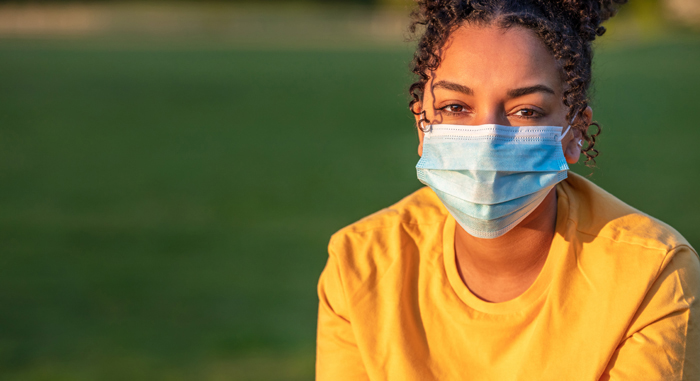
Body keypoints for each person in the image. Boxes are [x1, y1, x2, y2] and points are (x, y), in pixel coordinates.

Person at [316, 0, 700, 379]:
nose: (487, 139)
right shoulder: (359, 266)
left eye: (525, 111)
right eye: (455, 107)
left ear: (575, 132)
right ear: (422, 126)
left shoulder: (652, 274)